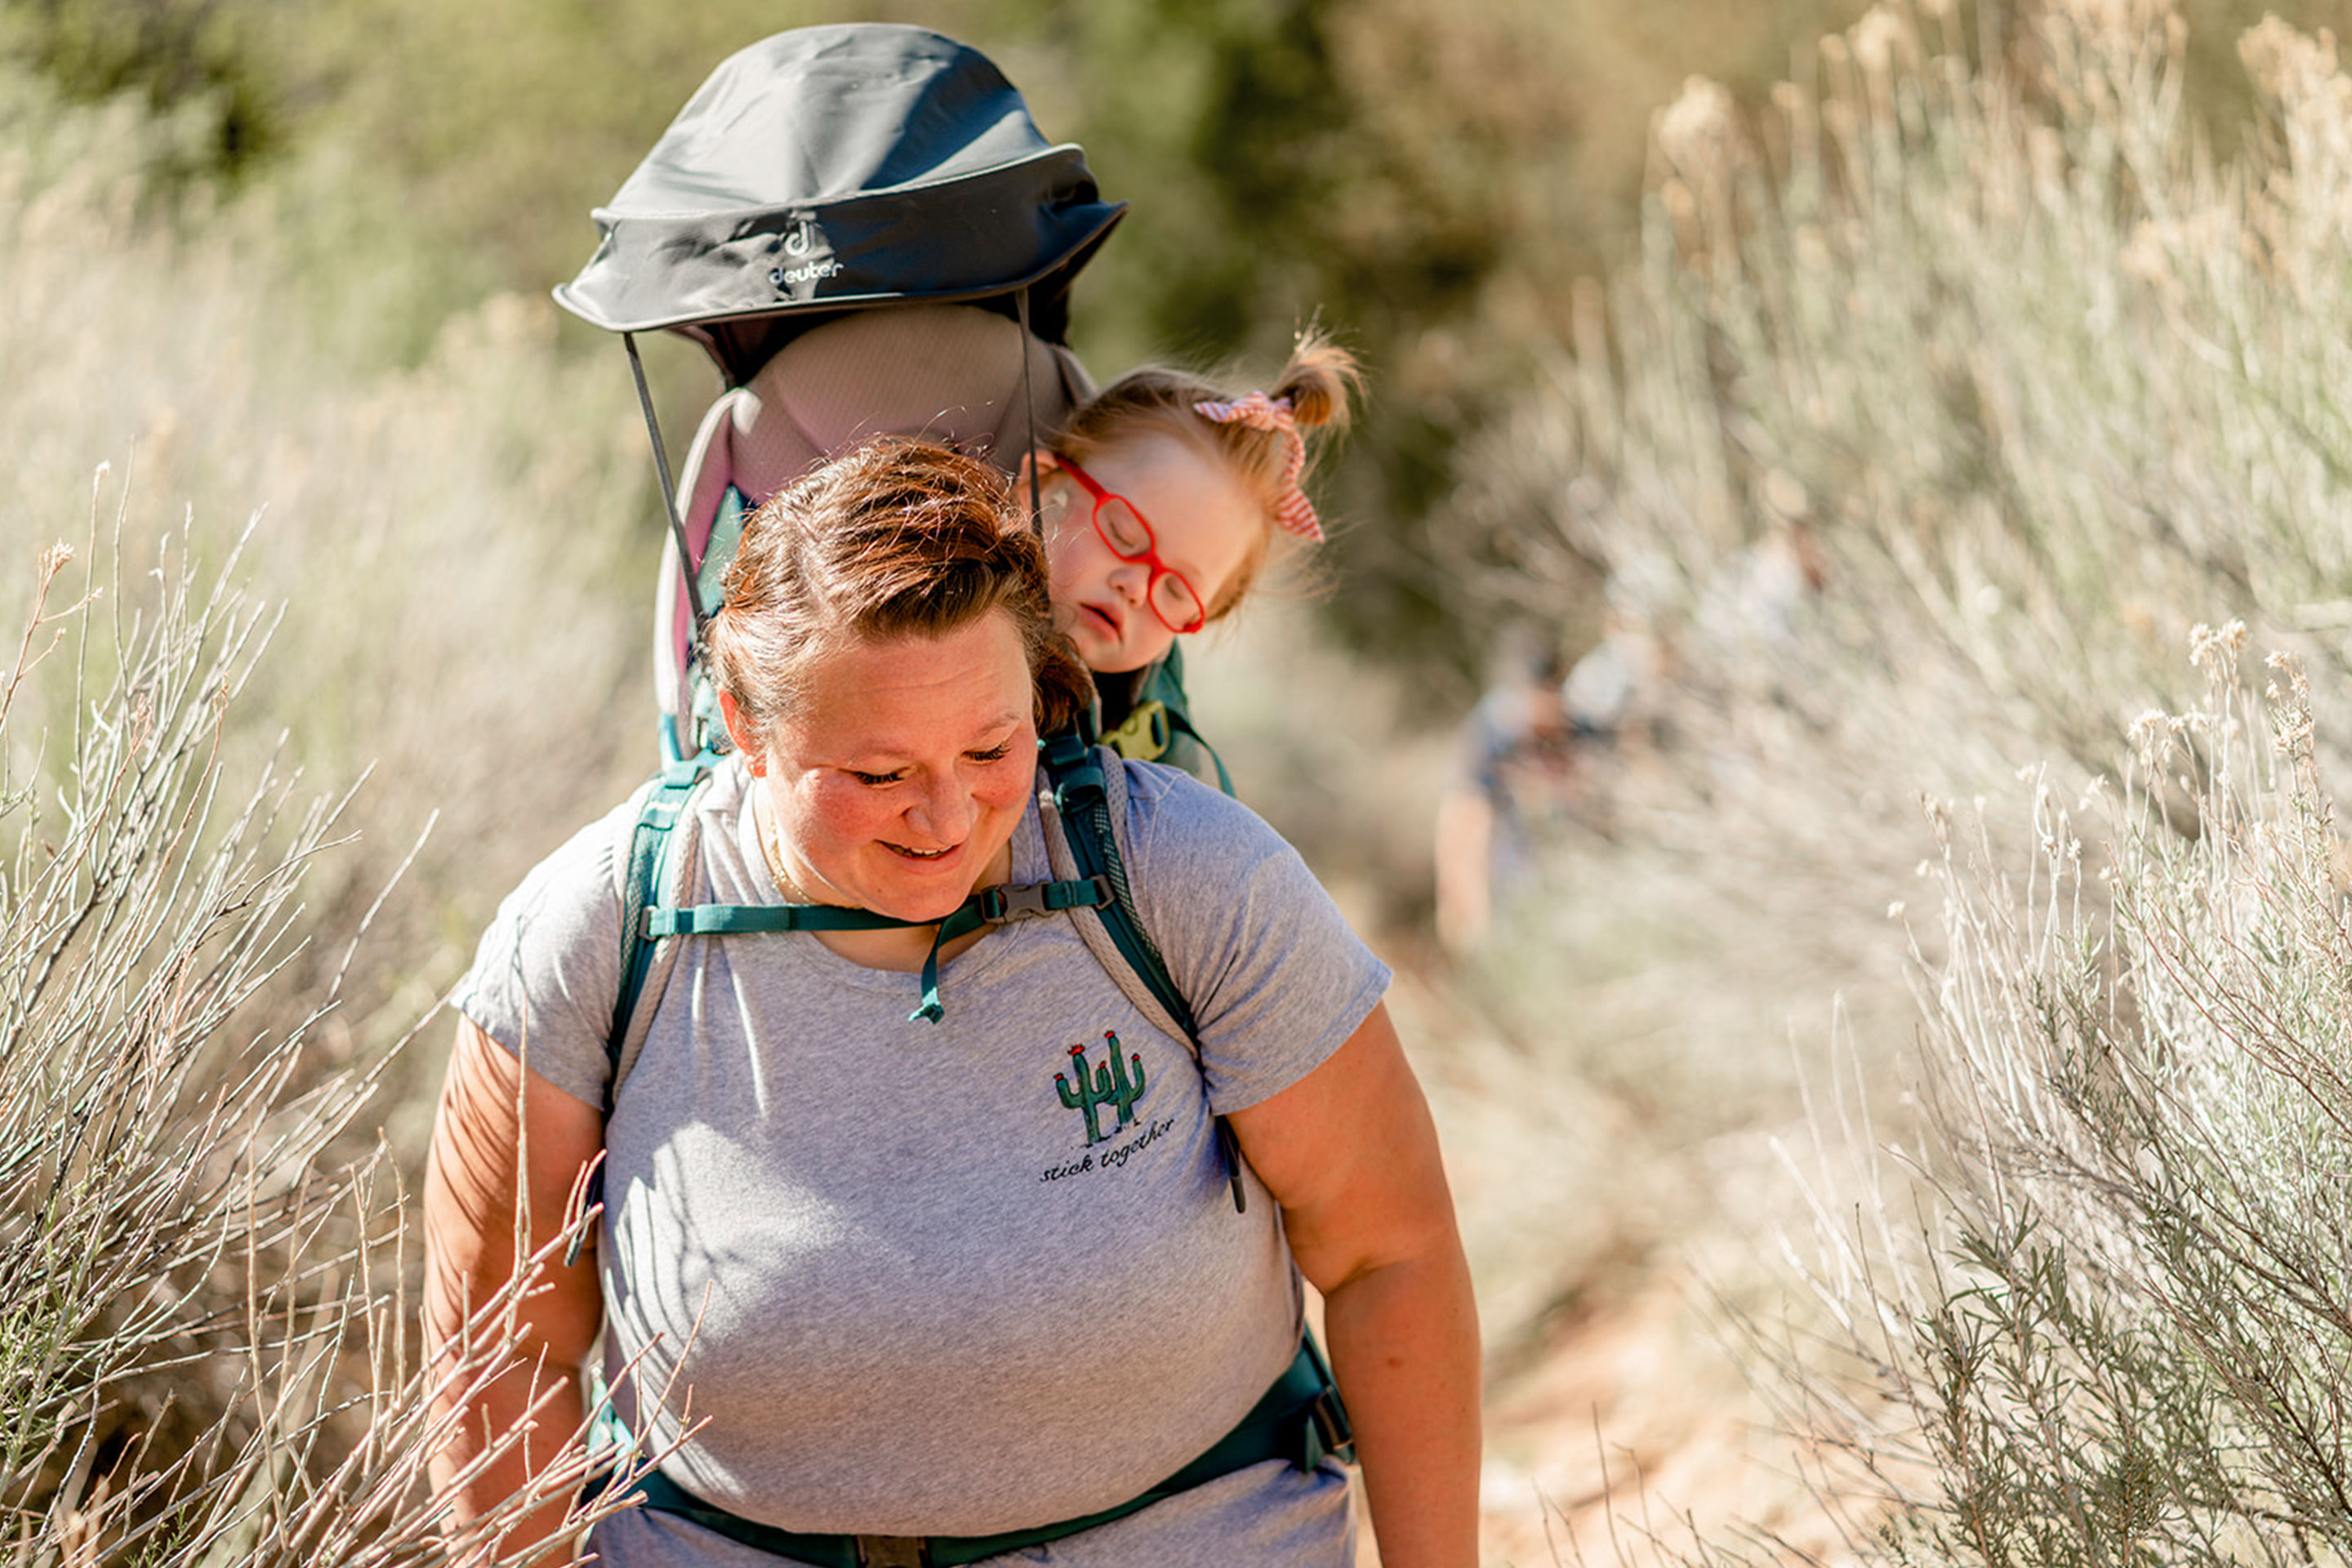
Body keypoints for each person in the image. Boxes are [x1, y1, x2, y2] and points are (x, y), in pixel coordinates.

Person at [423, 438, 1478, 1566]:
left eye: (990, 747)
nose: (944, 817)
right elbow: (503, 1347)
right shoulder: (602, 930)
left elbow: (1389, 1257)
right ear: (744, 725)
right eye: (878, 775)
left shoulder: (1185, 878)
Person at [1024, 329, 1359, 782]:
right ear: (1041, 486)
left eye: (1177, 590)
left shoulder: (1157, 745)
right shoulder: (949, 608)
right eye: (1123, 535)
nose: (1137, 588)